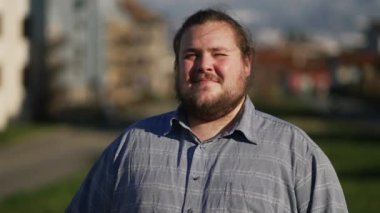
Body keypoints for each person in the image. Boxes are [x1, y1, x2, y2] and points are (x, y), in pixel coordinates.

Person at [66, 8, 348, 213]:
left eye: (219, 54)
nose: (204, 65)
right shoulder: (131, 147)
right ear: (177, 67)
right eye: (191, 55)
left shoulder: (296, 154)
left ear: (246, 64)